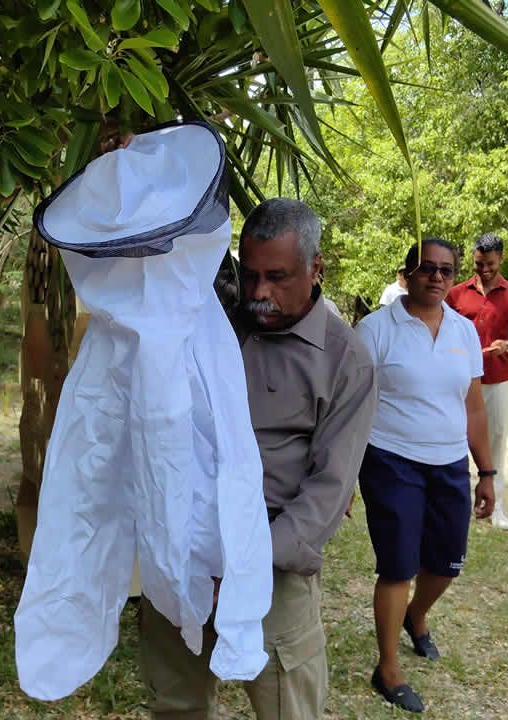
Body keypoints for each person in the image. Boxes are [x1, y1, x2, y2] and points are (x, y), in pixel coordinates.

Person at [139, 198, 377, 720]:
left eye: (278, 276)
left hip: (273, 566)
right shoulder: (217, 319)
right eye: (250, 275)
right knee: (177, 702)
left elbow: (329, 490)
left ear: (317, 269)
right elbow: (164, 255)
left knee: (288, 707)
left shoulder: (345, 360)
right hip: (185, 551)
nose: (260, 293)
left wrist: (246, 561)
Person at [354, 238, 496, 713]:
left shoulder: (464, 332)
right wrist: (341, 474)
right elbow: (350, 406)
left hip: (450, 462)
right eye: (426, 268)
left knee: (445, 564)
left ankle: (416, 616)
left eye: (446, 270)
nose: (436, 277)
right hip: (391, 460)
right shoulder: (375, 329)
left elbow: (474, 406)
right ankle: (388, 666)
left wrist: (487, 471)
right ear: (406, 274)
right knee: (397, 566)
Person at [446, 233, 508, 530]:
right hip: (457, 378)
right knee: (453, 438)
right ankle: (455, 504)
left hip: (496, 380)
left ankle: (497, 507)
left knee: (495, 442)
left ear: (502, 260)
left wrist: (507, 347)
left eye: (490, 264)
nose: (484, 270)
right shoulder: (456, 294)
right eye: (479, 263)